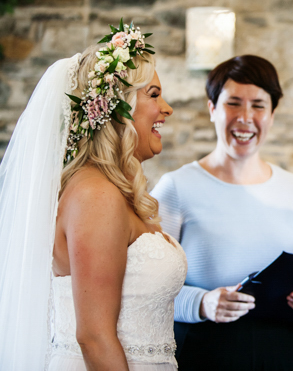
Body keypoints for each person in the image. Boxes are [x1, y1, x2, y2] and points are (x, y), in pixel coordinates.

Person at [0, 21, 186, 371]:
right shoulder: (95, 195)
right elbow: (94, 337)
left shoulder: (110, 190)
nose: (167, 108)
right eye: (154, 94)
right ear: (119, 107)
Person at [151, 54, 293, 370]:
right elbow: (144, 289)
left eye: (258, 105)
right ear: (212, 109)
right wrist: (201, 303)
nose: (245, 117)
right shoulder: (175, 188)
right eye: (233, 103)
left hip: (285, 352)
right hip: (204, 351)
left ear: (271, 115)